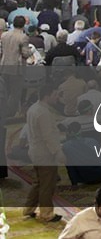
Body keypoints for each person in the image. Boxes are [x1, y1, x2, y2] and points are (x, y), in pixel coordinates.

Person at [25, 89, 63, 222]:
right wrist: (57, 152)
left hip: (35, 151)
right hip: (45, 153)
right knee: (47, 184)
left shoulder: (33, 108)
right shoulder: (43, 113)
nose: (57, 97)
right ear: (47, 95)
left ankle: (29, 209)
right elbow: (48, 136)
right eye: (55, 94)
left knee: (39, 182)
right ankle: (47, 214)